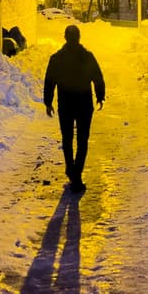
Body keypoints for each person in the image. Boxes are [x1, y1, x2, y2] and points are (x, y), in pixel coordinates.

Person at [43, 24, 105, 194]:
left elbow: (50, 81)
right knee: (82, 140)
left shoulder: (57, 58)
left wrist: (48, 102)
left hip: (66, 104)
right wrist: (100, 96)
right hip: (84, 104)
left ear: (65, 37)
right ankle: (76, 173)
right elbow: (98, 78)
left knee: (67, 138)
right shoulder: (87, 57)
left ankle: (71, 169)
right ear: (79, 38)